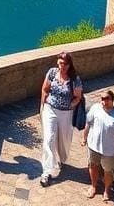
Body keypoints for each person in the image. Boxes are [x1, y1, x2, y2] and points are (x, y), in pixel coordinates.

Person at [38, 51, 83, 185]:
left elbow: (78, 97)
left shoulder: (75, 79)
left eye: (63, 64)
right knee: (49, 139)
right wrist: (42, 105)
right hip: (50, 109)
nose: (61, 66)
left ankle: (62, 159)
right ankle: (46, 171)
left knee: (64, 139)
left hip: (65, 113)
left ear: (69, 65)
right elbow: (45, 89)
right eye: (59, 63)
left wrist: (71, 105)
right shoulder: (52, 73)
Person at [81, 90, 114, 203]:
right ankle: (93, 186)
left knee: (108, 170)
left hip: (109, 149)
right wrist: (84, 138)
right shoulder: (95, 108)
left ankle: (107, 190)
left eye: (106, 99)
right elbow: (88, 123)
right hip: (93, 145)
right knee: (93, 165)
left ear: (112, 100)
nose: (104, 101)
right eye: (102, 99)